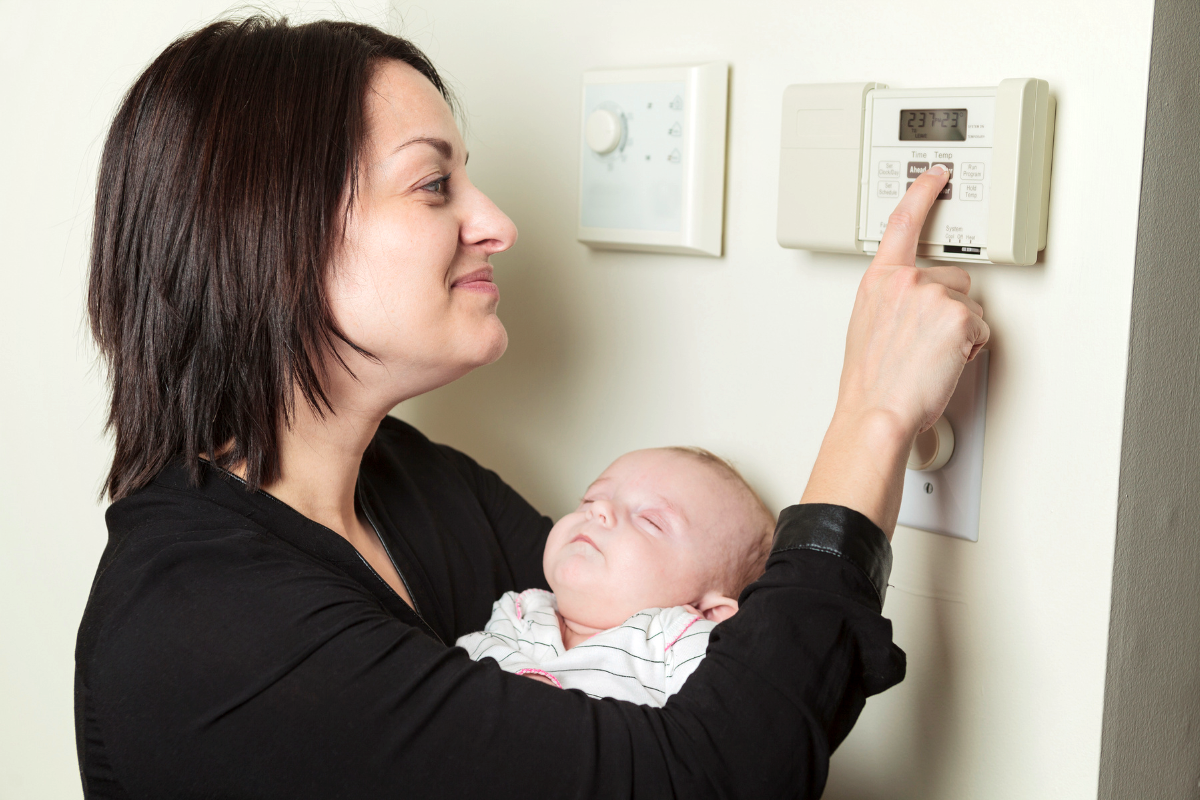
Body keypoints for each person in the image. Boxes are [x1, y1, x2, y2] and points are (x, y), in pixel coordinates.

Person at [76, 15, 988, 800]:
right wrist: (873, 414)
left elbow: (697, 664)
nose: (497, 224)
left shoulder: (412, 483)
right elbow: (704, 774)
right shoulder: (201, 629)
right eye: (434, 185)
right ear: (273, 234)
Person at [456, 446, 776, 705]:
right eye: (591, 499)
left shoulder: (676, 641)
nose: (600, 510)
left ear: (708, 613)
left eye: (650, 520)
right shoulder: (520, 611)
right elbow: (463, 672)